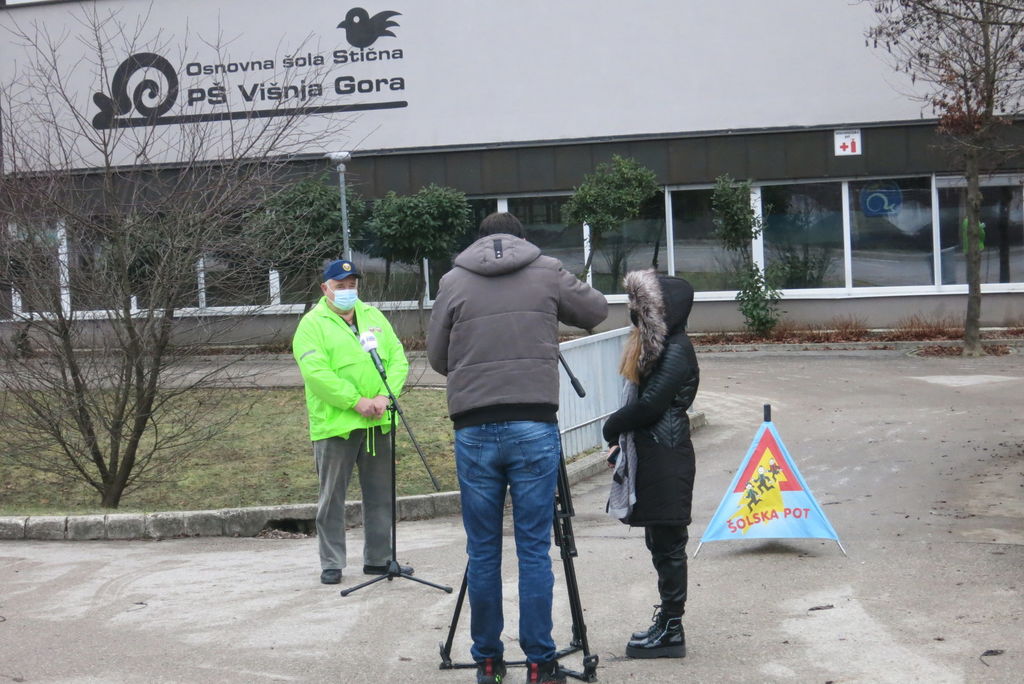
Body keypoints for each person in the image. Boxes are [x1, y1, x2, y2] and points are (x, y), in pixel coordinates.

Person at [427, 212, 608, 684]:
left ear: (479, 240)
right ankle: (539, 663)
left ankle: (487, 662)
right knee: (533, 548)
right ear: (522, 240)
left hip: (473, 426)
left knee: (483, 550)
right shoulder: (546, 270)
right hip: (533, 423)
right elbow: (595, 311)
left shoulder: (452, 281)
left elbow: (438, 357)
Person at [292, 259, 411, 585]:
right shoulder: (312, 325)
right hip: (336, 426)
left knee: (380, 495)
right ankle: (332, 562)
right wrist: (355, 401)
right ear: (325, 288)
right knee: (332, 498)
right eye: (340, 285)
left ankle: (379, 559)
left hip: (377, 421)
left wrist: (385, 397)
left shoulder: (373, 316)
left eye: (352, 285)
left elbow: (398, 359)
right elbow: (316, 374)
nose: (347, 290)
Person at [602, 269, 699, 659]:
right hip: (655, 454)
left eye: (640, 306)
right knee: (659, 541)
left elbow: (650, 405)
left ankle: (672, 628)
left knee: (669, 543)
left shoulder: (676, 349)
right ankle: (668, 622)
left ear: (661, 311)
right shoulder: (660, 348)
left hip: (667, 455)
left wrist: (611, 427)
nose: (633, 312)